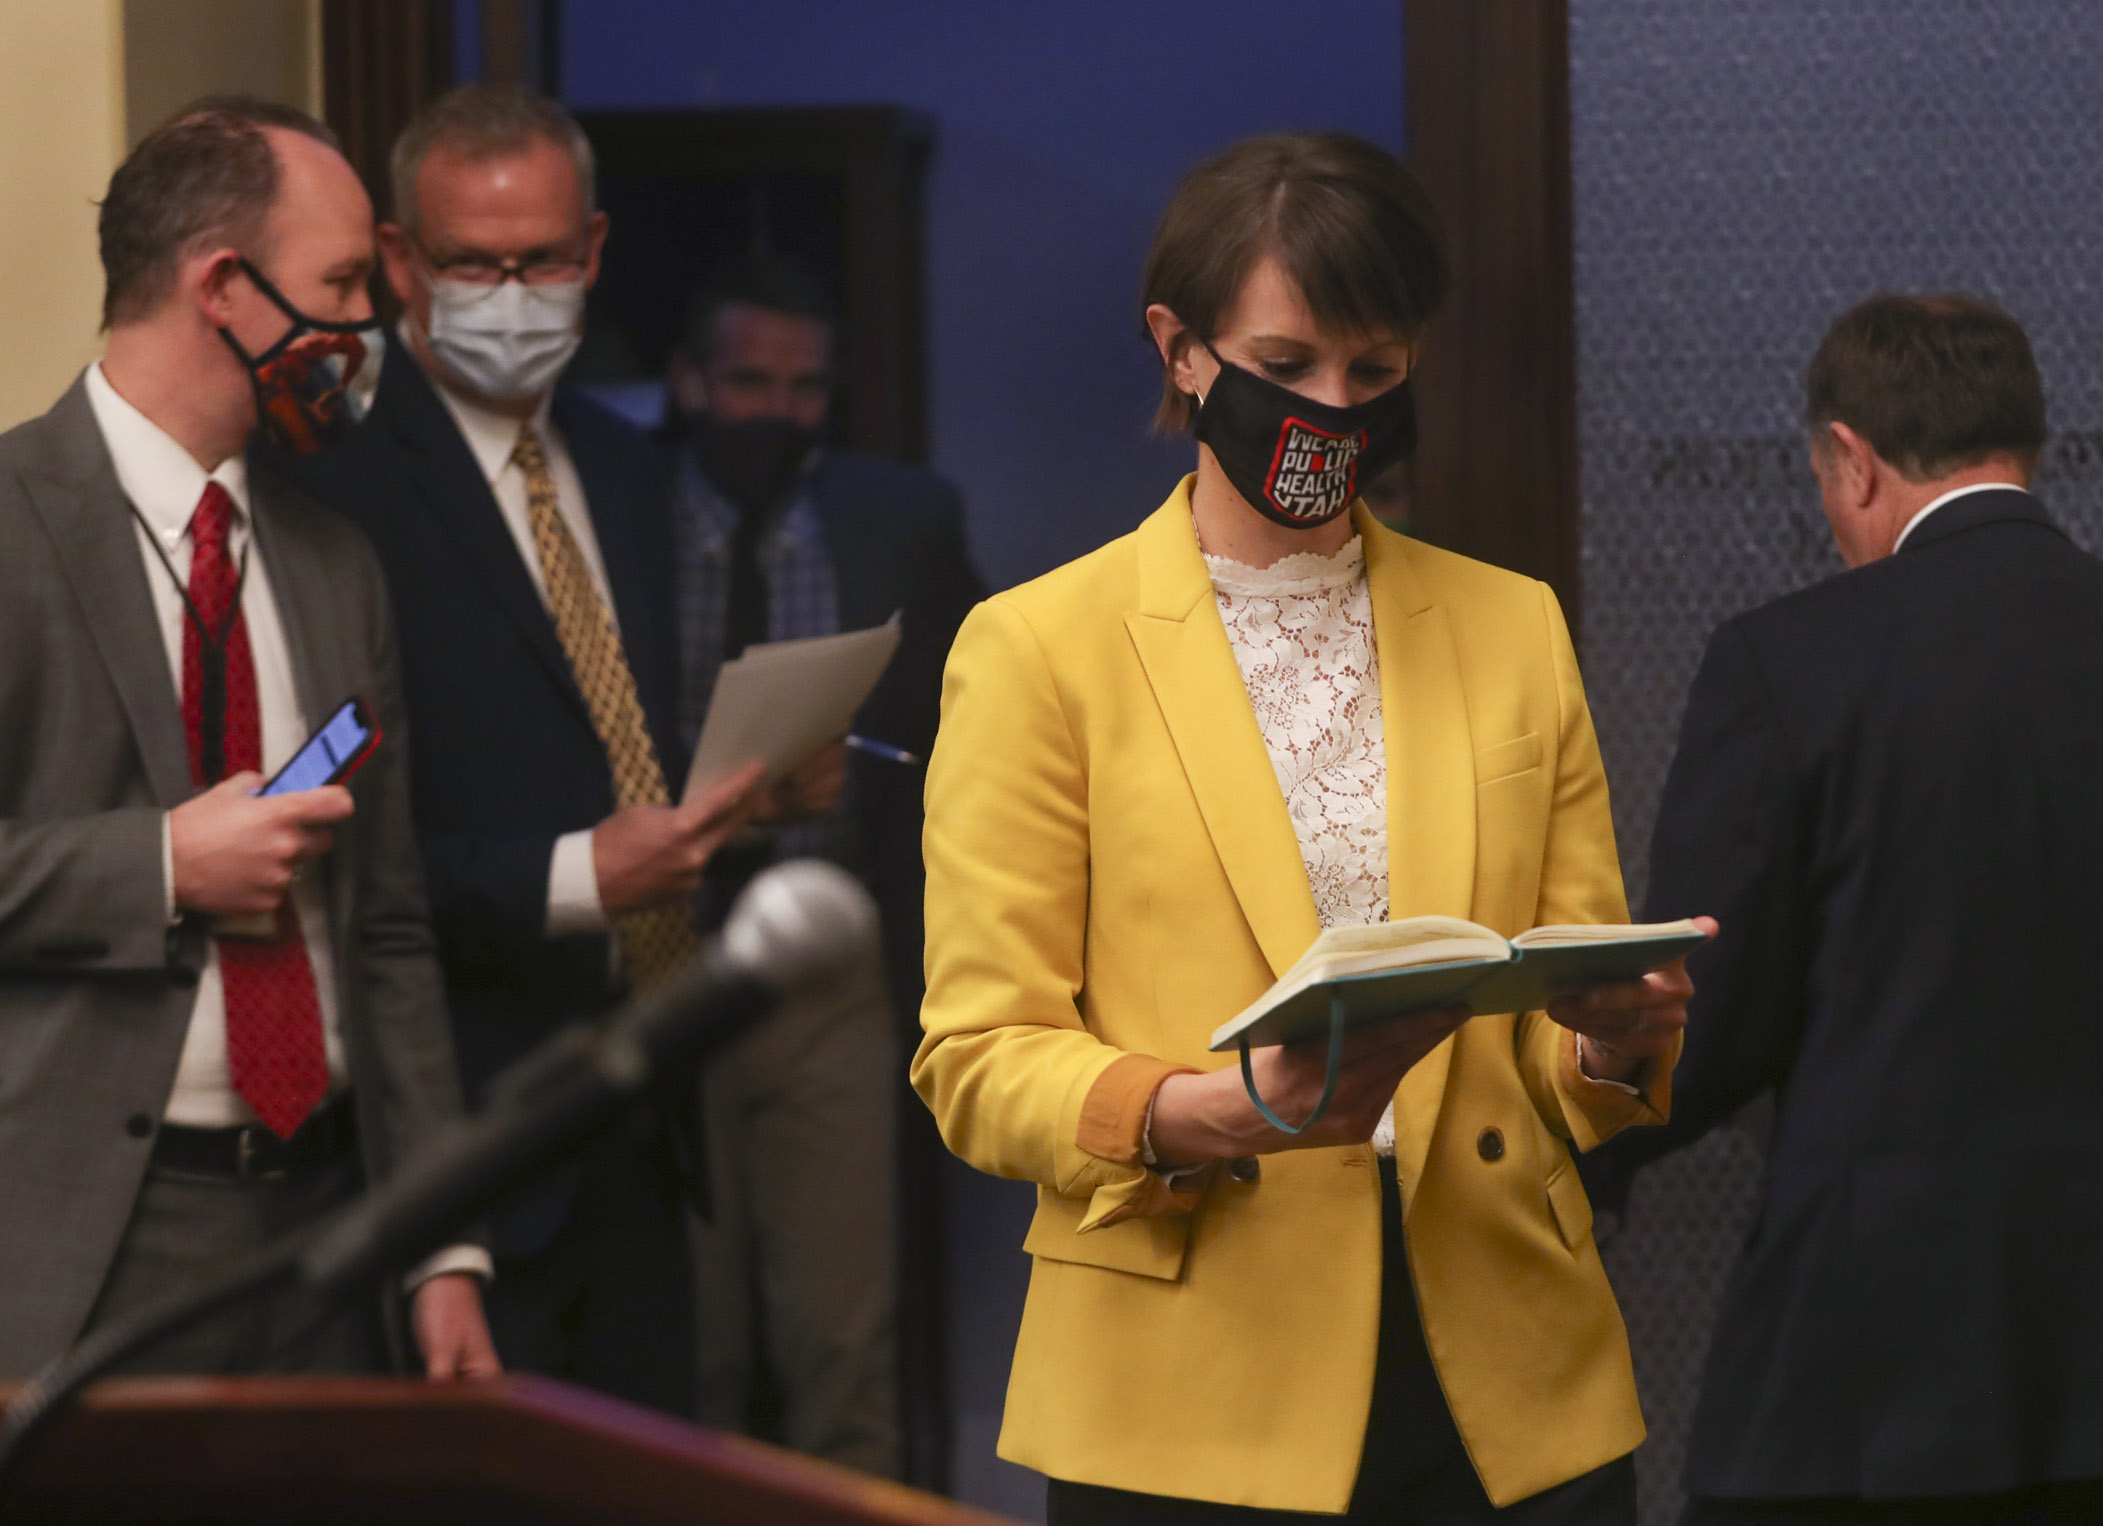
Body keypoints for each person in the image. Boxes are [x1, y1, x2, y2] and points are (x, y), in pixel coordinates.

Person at [913, 132, 1704, 1523]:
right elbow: (977, 1055)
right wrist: (1208, 1111)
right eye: (1286, 365)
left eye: (1375, 372)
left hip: (1509, 1375)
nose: (1331, 408)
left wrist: (1619, 1034)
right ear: (1182, 349)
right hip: (1188, 1383)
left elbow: (1559, 1045)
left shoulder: (1511, 624)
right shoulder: (1038, 646)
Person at [1594, 294, 2103, 1526]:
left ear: (1853, 460)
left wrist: (1578, 1149)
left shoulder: (1783, 662)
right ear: (2024, 446)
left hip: (1871, 1386)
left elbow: (1706, 1020)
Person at [267, 82, 763, 1415]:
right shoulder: (324, 489)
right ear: (396, 262)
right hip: (459, 1153)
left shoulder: (634, 461)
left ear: (593, 250)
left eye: (541, 258)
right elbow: (321, 851)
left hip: (643, 1117)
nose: (513, 290)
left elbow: (622, 739)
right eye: (472, 262)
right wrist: (571, 879)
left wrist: (747, 792)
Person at [0, 97, 495, 1379]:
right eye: (338, 283)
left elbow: (386, 926)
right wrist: (162, 865)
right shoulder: (7, 525)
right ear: (223, 285)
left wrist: (443, 1249)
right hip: (87, 1242)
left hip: (332, 1233)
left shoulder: (339, 565)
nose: (363, 328)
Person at [664, 253, 982, 1473]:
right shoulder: (622, 506)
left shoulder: (898, 515)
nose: (773, 411)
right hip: (667, 943)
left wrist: (874, 768)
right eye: (746, 380)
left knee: (840, 1333)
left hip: (837, 951)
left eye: (802, 387)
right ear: (692, 380)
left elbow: (977, 725)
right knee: (695, 1326)